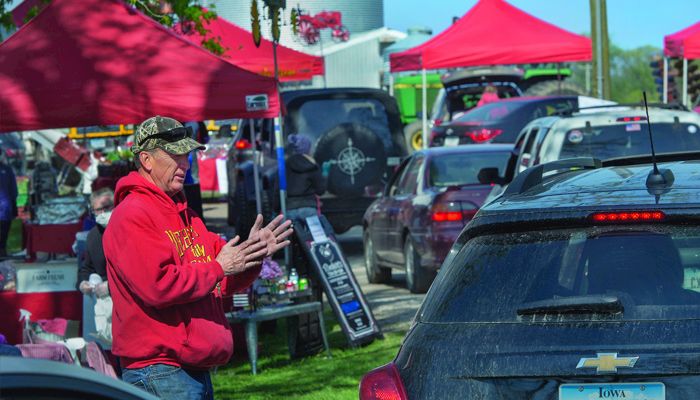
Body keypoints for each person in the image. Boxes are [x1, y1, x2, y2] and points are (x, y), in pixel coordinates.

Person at [103, 116, 292, 400]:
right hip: (159, 370)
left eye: (187, 155)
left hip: (186, 369)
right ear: (146, 159)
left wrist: (253, 254)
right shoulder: (133, 215)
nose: (185, 164)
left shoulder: (185, 215)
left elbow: (223, 277)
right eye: (175, 156)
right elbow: (159, 285)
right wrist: (219, 268)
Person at [77, 187, 113, 296]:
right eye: (97, 210)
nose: (102, 213)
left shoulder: (129, 230)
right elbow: (86, 267)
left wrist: (110, 286)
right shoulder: (93, 236)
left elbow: (137, 272)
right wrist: (82, 283)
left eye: (106, 208)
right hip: (104, 301)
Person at [285, 134, 326, 223]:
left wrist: (276, 208)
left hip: (290, 208)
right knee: (315, 236)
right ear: (307, 149)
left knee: (289, 236)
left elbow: (278, 188)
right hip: (309, 208)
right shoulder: (312, 165)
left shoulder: (285, 165)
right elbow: (321, 190)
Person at [0, 154, 18, 259]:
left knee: (3, 230)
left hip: (5, 207)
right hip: (6, 206)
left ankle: (2, 250)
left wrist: (14, 205)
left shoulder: (7, 170)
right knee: (3, 231)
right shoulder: (7, 169)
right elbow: (13, 189)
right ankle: (2, 250)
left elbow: (13, 188)